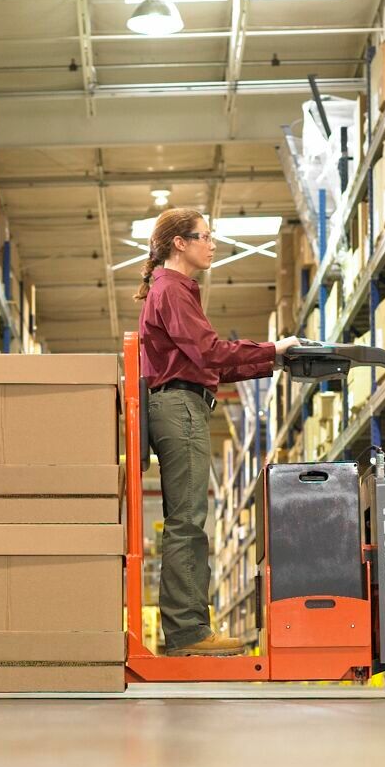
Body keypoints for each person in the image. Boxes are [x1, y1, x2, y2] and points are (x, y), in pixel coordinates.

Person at [136, 208, 301, 655]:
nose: (213, 244)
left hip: (183, 404)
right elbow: (209, 353)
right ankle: (188, 634)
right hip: (180, 408)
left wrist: (274, 360)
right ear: (179, 243)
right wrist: (273, 349)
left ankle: (187, 631)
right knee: (188, 523)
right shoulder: (172, 290)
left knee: (187, 520)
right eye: (205, 236)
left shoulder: (175, 290)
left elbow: (209, 363)